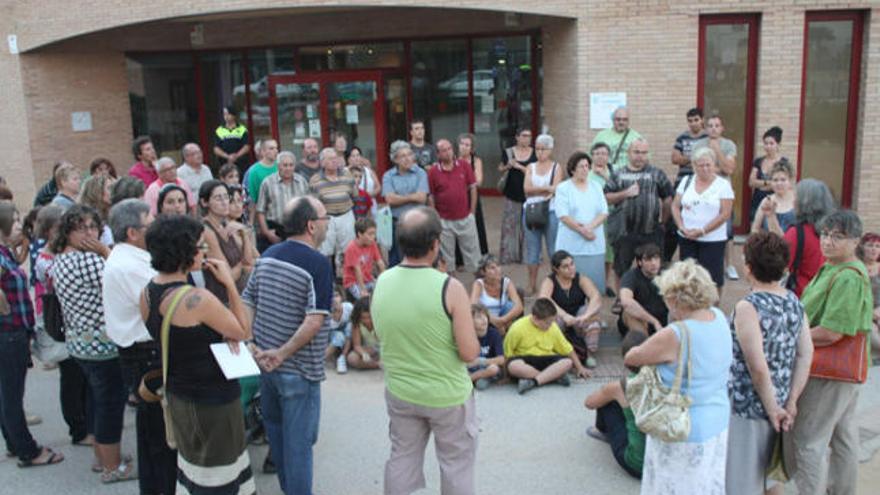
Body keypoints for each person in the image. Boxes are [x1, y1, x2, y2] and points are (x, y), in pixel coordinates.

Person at [141, 214, 254, 495]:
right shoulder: (196, 300)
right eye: (199, 246)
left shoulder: (147, 293)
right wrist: (229, 283)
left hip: (180, 395)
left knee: (194, 469)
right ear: (183, 252)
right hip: (213, 402)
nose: (203, 252)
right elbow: (243, 330)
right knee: (219, 477)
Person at [371, 206, 480, 495]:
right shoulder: (450, 287)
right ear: (435, 244)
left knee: (402, 459)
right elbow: (469, 353)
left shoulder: (383, 281)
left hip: (401, 391)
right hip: (447, 395)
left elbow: (382, 332)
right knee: (456, 466)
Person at [244, 196, 333, 495]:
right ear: (311, 225)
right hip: (297, 370)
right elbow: (314, 321)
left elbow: (247, 300)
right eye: (325, 219)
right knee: (299, 447)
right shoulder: (318, 264)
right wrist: (281, 354)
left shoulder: (268, 255)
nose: (327, 224)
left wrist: (252, 344)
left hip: (267, 367)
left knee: (280, 440)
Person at [624, 259, 732, 494]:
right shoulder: (719, 317)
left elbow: (633, 357)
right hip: (717, 420)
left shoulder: (677, 333)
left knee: (674, 485)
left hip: (681, 426)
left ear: (674, 299)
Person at [792, 210, 874, 495]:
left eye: (837, 236)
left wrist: (793, 338)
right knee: (842, 435)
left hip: (830, 371)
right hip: (843, 372)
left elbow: (832, 332)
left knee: (808, 440)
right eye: (825, 234)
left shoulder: (848, 276)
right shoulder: (833, 268)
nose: (828, 241)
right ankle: (841, 490)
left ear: (855, 241)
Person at [50, 205, 134, 482]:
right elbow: (123, 278)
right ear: (68, 232)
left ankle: (103, 459)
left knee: (98, 402)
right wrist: (106, 252)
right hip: (103, 345)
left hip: (80, 344)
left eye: (93, 226)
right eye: (81, 228)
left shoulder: (59, 260)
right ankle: (111, 467)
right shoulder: (88, 260)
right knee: (110, 405)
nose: (89, 233)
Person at [727, 232, 814, 495]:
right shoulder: (794, 302)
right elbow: (805, 355)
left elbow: (757, 367)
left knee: (742, 483)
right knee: (772, 479)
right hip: (782, 403)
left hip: (748, 407)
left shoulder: (748, 307)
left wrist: (772, 407)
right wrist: (790, 401)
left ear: (749, 267)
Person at [102, 199, 177, 495]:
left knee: (152, 435)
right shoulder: (128, 265)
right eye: (150, 223)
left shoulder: (133, 257)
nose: (155, 227)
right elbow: (164, 302)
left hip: (143, 353)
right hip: (144, 355)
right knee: (160, 437)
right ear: (133, 232)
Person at [0, 203, 65, 468]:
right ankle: (28, 450)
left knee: (7, 394)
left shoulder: (6, 252)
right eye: (14, 221)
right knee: (12, 395)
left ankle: (15, 444)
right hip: (8, 333)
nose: (19, 225)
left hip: (13, 332)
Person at [32, 205, 89, 450]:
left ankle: (84, 424)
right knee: (72, 377)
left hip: (72, 321)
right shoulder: (47, 259)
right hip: (63, 322)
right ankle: (78, 428)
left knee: (79, 376)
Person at [604, 138, 674, 284]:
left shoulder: (657, 173)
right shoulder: (618, 174)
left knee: (654, 268)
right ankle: (621, 299)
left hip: (651, 231)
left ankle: (653, 299)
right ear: (629, 153)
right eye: (636, 152)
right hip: (625, 233)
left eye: (644, 152)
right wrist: (625, 193)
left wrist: (663, 222)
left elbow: (668, 198)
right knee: (621, 269)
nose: (640, 156)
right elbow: (606, 197)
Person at [584, 330, 647, 480]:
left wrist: (606, 392)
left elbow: (589, 403)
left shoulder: (621, 386)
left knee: (608, 401)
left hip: (637, 465)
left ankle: (603, 431)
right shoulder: (667, 377)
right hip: (665, 462)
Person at [670, 147, 734, 289]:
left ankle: (713, 310)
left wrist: (703, 231)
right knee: (687, 277)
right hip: (687, 238)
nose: (705, 168)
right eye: (701, 165)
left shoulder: (723, 185)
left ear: (714, 165)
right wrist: (681, 226)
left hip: (713, 240)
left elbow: (725, 214)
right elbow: (675, 206)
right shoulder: (686, 181)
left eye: (708, 165)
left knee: (712, 279)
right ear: (694, 166)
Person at [504, 298, 591, 395]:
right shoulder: (517, 328)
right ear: (535, 318)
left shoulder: (553, 327)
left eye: (552, 322)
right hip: (526, 360)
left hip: (547, 359)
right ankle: (552, 378)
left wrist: (580, 367)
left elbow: (567, 349)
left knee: (567, 362)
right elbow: (508, 354)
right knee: (513, 366)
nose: (550, 325)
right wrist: (506, 374)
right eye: (547, 323)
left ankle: (533, 381)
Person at [691, 114, 739, 280]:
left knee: (727, 230)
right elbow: (697, 169)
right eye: (710, 125)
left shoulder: (728, 145)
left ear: (722, 128)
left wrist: (717, 150)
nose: (713, 128)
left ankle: (730, 264)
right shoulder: (698, 145)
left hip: (723, 193)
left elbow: (729, 169)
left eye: (716, 125)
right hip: (703, 193)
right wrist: (716, 167)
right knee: (703, 225)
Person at [555, 150, 609, 295]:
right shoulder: (563, 188)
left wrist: (589, 228)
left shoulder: (596, 187)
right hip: (571, 243)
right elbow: (563, 215)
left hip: (594, 242)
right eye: (581, 166)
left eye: (587, 166)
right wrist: (582, 231)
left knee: (594, 287)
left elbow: (604, 211)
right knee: (572, 286)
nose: (585, 170)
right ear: (572, 169)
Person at [538, 250, 603, 368]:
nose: (571, 268)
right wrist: (564, 315)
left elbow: (596, 297)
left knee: (593, 319)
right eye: (565, 266)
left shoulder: (580, 278)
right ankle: (554, 354)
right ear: (556, 269)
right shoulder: (550, 281)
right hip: (560, 317)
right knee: (550, 321)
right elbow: (544, 299)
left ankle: (588, 354)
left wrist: (586, 315)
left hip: (579, 317)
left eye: (572, 264)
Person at [428, 138, 481, 273]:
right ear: (438, 154)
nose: (448, 153)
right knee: (447, 260)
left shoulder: (464, 165)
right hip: (444, 221)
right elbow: (431, 196)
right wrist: (436, 218)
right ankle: (452, 289)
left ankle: (479, 287)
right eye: (444, 151)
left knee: (474, 258)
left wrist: (472, 213)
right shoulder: (433, 171)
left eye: (449, 149)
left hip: (465, 218)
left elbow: (473, 188)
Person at [199, 180, 254, 303]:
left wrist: (244, 235)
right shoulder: (206, 231)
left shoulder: (226, 224)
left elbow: (249, 260)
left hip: (239, 294)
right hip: (222, 299)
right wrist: (242, 266)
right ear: (204, 202)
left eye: (226, 197)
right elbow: (227, 276)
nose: (225, 203)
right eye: (218, 198)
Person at [522, 134, 563, 294]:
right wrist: (546, 188)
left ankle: (556, 283)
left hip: (551, 211)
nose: (539, 152)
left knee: (553, 249)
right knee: (533, 250)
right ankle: (531, 284)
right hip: (531, 212)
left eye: (543, 149)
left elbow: (557, 189)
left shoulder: (556, 167)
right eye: (537, 149)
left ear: (550, 150)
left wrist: (538, 190)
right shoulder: (530, 167)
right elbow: (526, 190)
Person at [666, 107, 708, 261]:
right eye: (690, 121)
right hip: (682, 182)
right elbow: (675, 158)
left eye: (696, 120)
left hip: (703, 183)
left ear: (702, 119)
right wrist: (695, 159)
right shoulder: (682, 137)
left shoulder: (708, 137)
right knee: (675, 218)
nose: (693, 124)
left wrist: (687, 158)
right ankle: (668, 257)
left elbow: (710, 160)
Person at [783, 178, 836, 296]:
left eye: (796, 197)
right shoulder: (835, 233)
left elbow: (779, 266)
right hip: (827, 296)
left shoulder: (796, 233)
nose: (793, 201)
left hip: (802, 297)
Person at [310, 147, 357, 275]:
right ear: (322, 162)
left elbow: (355, 195)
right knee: (325, 251)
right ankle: (328, 280)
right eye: (330, 159)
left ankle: (345, 280)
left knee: (347, 250)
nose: (334, 161)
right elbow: (314, 204)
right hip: (326, 218)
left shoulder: (347, 175)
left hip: (346, 215)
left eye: (335, 158)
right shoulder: (315, 180)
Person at [382, 140, 429, 267]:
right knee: (398, 260)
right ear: (395, 159)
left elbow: (422, 198)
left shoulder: (420, 173)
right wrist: (412, 197)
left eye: (409, 154)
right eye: (403, 156)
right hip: (397, 224)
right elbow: (390, 200)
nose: (408, 159)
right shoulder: (388, 176)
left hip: (418, 223)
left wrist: (400, 198)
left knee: (419, 258)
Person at [255, 151, 309, 252]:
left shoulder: (302, 182)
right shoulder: (267, 183)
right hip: (276, 230)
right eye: (285, 165)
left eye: (291, 165)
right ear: (278, 166)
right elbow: (260, 210)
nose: (288, 168)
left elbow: (308, 207)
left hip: (298, 229)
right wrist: (267, 232)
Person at [498, 127, 534, 264]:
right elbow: (500, 168)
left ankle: (526, 256)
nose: (527, 139)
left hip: (530, 195)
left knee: (528, 226)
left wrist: (520, 167)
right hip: (512, 194)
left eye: (529, 136)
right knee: (510, 226)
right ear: (517, 137)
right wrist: (508, 165)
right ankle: (509, 256)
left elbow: (535, 173)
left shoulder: (535, 153)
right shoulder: (508, 152)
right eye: (524, 136)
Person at [618, 243, 668, 336]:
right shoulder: (631, 276)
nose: (653, 263)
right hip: (641, 319)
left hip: (663, 319)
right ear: (639, 262)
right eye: (648, 260)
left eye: (656, 258)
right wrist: (653, 321)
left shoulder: (667, 274)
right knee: (628, 312)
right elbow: (626, 301)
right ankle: (644, 344)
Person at [470, 254, 524, 335]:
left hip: (504, 321)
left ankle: (508, 335)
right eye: (492, 268)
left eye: (498, 266)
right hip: (486, 320)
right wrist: (493, 321)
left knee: (510, 306)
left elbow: (519, 307)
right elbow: (472, 306)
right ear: (483, 272)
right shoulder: (478, 284)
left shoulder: (506, 282)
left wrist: (502, 320)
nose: (497, 270)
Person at [588, 145, 617, 294]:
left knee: (609, 252)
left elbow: (619, 188)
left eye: (604, 153)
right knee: (593, 250)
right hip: (591, 218)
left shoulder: (613, 171)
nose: (600, 156)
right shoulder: (586, 172)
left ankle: (605, 283)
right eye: (597, 153)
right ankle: (591, 284)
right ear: (591, 155)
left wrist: (605, 176)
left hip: (611, 216)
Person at [748, 126, 790, 222]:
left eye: (771, 143)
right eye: (766, 143)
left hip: (776, 202)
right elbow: (751, 182)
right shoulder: (758, 161)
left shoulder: (783, 163)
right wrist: (768, 183)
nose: (768, 146)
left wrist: (761, 184)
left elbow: (785, 184)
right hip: (757, 200)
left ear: (778, 145)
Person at [458, 133, 488, 255]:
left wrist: (462, 182)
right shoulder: (453, 160)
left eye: (467, 145)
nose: (464, 147)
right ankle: (460, 257)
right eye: (462, 144)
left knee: (475, 225)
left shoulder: (476, 161)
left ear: (472, 148)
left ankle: (479, 254)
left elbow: (478, 181)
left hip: (472, 197)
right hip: (457, 198)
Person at [342, 217, 385, 299]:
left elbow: (380, 263)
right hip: (353, 282)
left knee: (382, 293)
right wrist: (363, 290)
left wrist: (384, 281)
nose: (373, 237)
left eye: (374, 233)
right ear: (359, 234)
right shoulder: (351, 248)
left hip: (368, 280)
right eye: (370, 234)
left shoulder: (372, 244)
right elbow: (357, 270)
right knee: (364, 300)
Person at [751, 160, 796, 235]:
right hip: (770, 245)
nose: (779, 183)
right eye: (775, 180)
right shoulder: (766, 201)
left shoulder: (797, 201)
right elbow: (755, 229)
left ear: (790, 181)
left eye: (783, 180)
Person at [467, 304, 505, 390]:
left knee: (494, 369)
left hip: (486, 366)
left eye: (485, 316)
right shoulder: (467, 334)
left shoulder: (494, 333)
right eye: (479, 317)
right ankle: (479, 379)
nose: (484, 319)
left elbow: (501, 359)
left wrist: (480, 361)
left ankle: (470, 379)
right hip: (471, 367)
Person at [592, 107, 642, 172]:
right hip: (606, 174)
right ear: (613, 120)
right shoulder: (601, 136)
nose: (621, 122)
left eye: (624, 120)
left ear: (628, 121)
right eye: (618, 119)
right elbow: (591, 157)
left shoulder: (636, 137)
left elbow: (644, 159)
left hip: (629, 176)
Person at [857, 232, 880, 355]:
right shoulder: (856, 268)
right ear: (862, 247)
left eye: (877, 246)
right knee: (871, 330)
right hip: (863, 313)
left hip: (878, 310)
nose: (874, 249)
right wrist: (869, 313)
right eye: (870, 245)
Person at [77, 174, 116, 246]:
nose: (114, 192)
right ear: (97, 191)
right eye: (110, 188)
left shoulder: (112, 215)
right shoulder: (85, 217)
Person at [345, 296, 382, 371]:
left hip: (384, 349)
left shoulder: (380, 321)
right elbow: (357, 345)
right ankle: (377, 364)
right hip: (371, 349)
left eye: (369, 317)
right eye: (363, 318)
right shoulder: (357, 324)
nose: (367, 321)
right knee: (352, 358)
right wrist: (363, 354)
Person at [212, 105, 251, 175]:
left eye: (228, 114)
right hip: (224, 164)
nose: (226, 116)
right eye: (224, 114)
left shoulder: (242, 129)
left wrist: (236, 156)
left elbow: (246, 146)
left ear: (233, 115)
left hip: (241, 164)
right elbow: (216, 149)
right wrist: (227, 156)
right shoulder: (219, 130)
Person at [247, 139, 279, 219]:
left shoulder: (280, 166)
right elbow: (253, 199)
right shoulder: (254, 171)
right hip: (264, 214)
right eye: (271, 148)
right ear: (263, 152)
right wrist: (251, 222)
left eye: (276, 148)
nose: (275, 151)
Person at [326, 287, 354, 374]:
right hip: (331, 336)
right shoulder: (327, 314)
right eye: (332, 296)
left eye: (337, 295)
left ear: (341, 297)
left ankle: (342, 358)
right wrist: (335, 313)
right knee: (339, 336)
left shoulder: (348, 307)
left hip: (348, 336)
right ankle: (321, 360)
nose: (335, 298)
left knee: (349, 327)